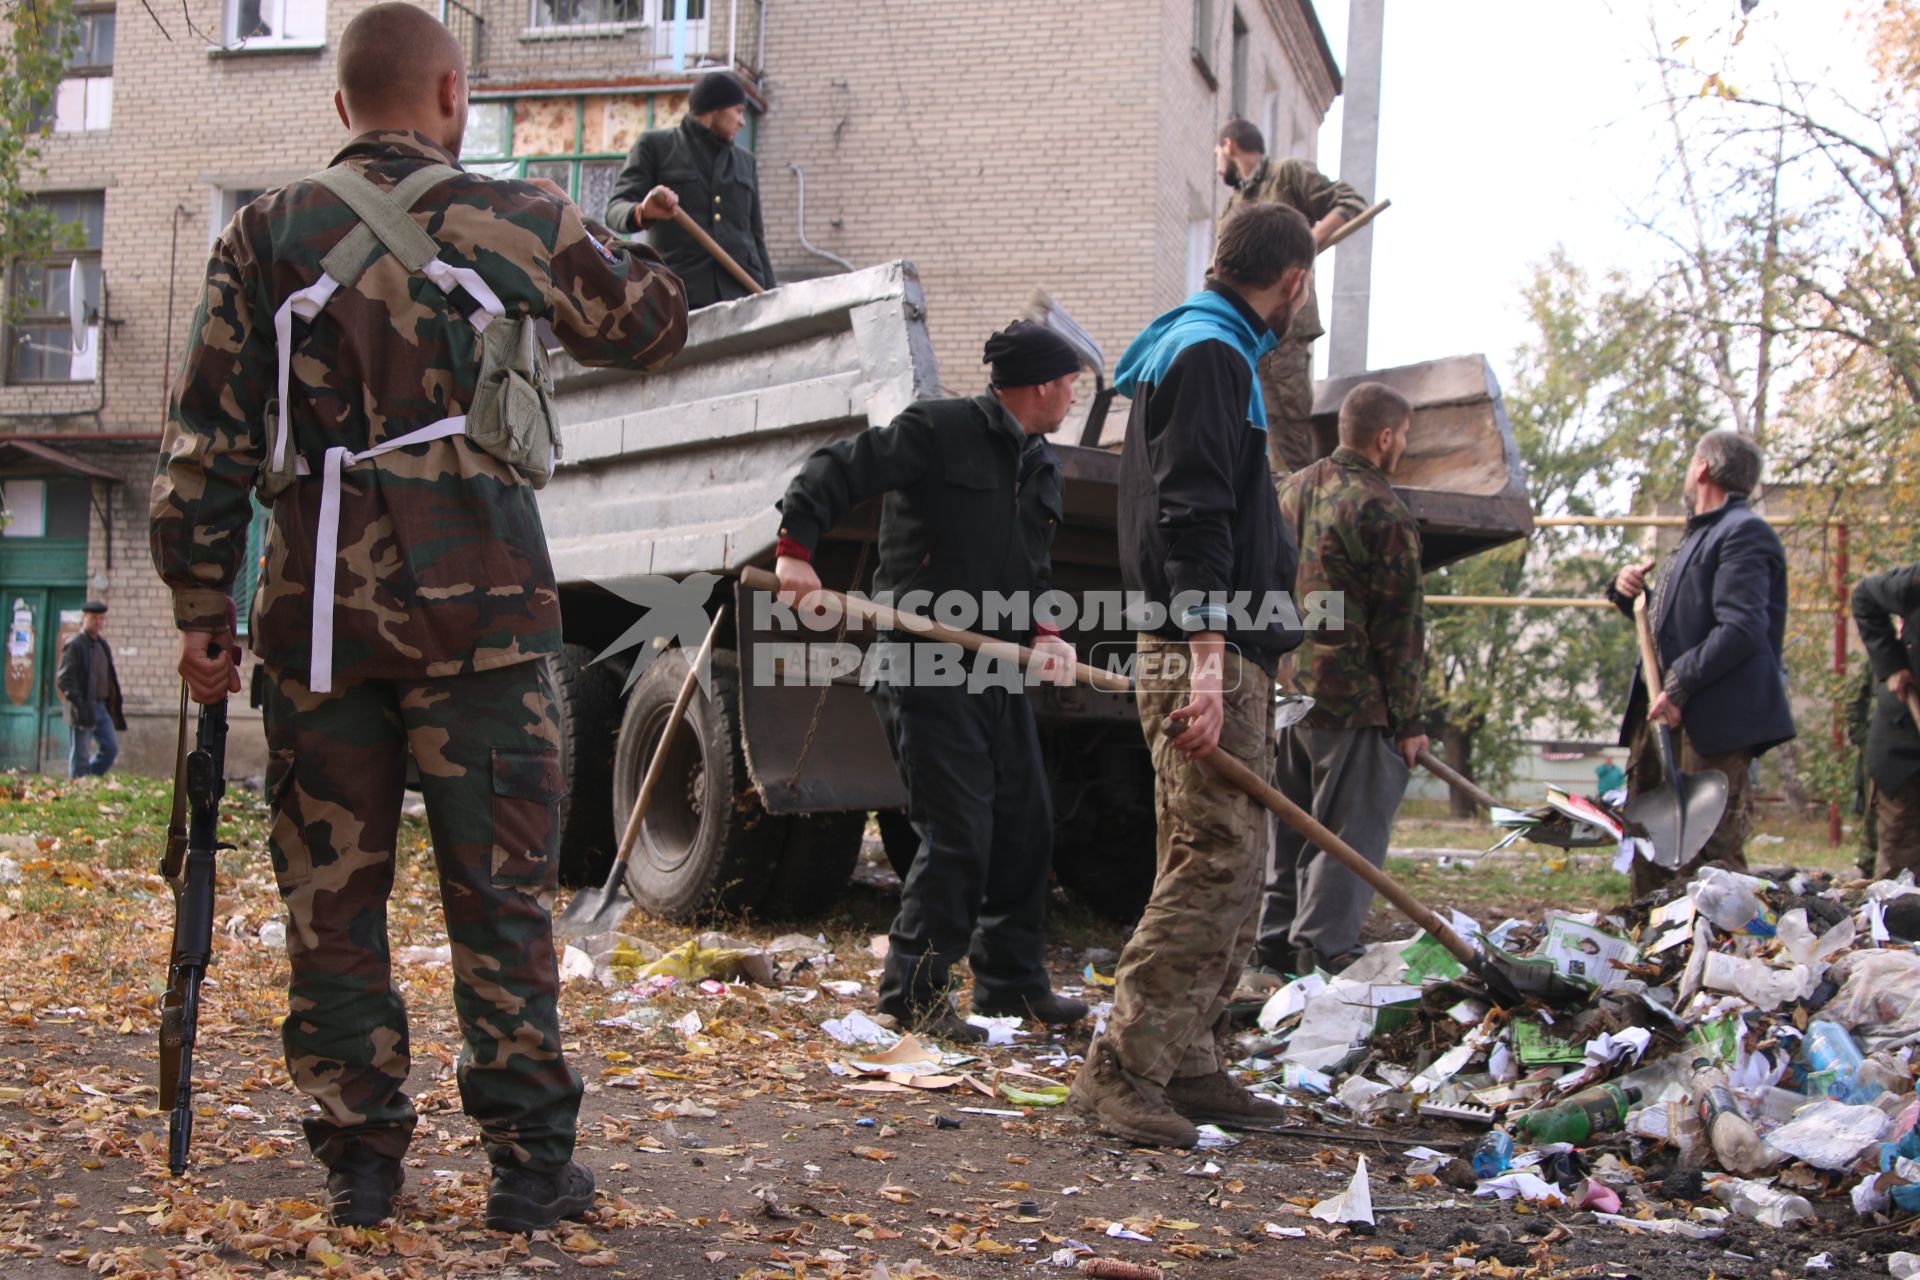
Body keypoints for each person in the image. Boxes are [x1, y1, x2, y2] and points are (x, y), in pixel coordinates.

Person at [150, 3, 688, 1233]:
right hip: (485, 618)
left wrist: (199, 608)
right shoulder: (520, 216)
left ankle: (361, 1163)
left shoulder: (263, 232)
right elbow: (646, 328)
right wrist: (632, 237)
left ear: (342, 106)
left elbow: (207, 446)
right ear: (453, 94)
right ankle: (528, 1167)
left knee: (330, 902)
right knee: (500, 895)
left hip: (313, 621)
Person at [1069, 202, 1312, 1148]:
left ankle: (1193, 1059)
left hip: (1213, 646)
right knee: (1213, 862)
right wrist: (1208, 665)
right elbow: (1194, 513)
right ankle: (1123, 1069)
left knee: (1229, 863)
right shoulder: (1212, 354)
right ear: (1291, 283)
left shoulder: (1200, 347)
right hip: (1203, 650)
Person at [772, 322, 1088, 1043]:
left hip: (996, 669)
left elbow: (1031, 571)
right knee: (960, 833)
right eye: (1070, 382)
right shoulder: (937, 430)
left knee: (1025, 825)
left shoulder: (1040, 465)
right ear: (1041, 385)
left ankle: (1011, 984)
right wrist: (797, 550)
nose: (1074, 394)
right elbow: (839, 467)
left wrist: (1046, 631)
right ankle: (912, 995)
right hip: (921, 661)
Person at [1256, 382, 1426, 977]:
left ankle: (1270, 950)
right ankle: (1320, 956)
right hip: (1354, 704)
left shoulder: (1291, 490)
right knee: (1345, 840)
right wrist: (1408, 722)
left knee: (1290, 827)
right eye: (1403, 435)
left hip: (1288, 692)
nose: (1403, 445)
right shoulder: (1383, 510)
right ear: (1385, 438)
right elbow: (1398, 629)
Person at [1605, 429, 1794, 900]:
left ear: (1703, 468)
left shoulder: (1743, 533)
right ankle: (1650, 954)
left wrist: (1681, 684)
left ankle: (1718, 962)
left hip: (1711, 723)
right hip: (1664, 713)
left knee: (1709, 860)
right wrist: (1627, 591)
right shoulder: (1696, 536)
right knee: (1652, 847)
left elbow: (1742, 627)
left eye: (1690, 463)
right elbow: (1671, 621)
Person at [1214, 117, 1366, 479]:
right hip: (1239, 335)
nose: (1217, 163)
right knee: (1247, 429)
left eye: (1217, 153)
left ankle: (1294, 514)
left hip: (1283, 328)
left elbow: (1350, 202)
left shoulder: (1287, 176)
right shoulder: (1235, 205)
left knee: (1286, 429)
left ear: (1229, 145)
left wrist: (1304, 244)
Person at [605, 70, 775, 309]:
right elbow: (615, 208)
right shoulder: (657, 146)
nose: (742, 121)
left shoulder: (745, 161)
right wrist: (642, 211)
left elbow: (757, 238)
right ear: (715, 108)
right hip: (681, 298)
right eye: (737, 111)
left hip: (744, 296)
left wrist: (773, 298)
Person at [1852, 564, 1920, 877]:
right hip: (1907, 751)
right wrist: (1892, 665)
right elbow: (1865, 596)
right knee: (1902, 879)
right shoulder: (1914, 583)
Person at [55, 600, 125, 778]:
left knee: (110, 748)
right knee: (80, 754)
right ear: (84, 618)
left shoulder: (102, 644)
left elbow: (109, 676)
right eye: (94, 618)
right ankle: (77, 788)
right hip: (81, 705)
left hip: (101, 707)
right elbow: (64, 678)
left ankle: (86, 779)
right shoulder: (75, 644)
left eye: (101, 618)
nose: (98, 622)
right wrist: (78, 702)